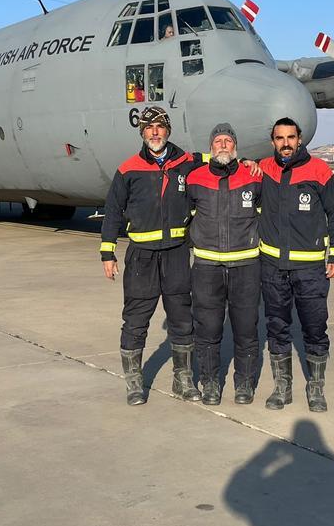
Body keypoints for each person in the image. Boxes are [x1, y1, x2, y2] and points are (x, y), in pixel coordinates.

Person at [101, 106, 203, 405]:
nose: (155, 132)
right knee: (135, 320)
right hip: (141, 257)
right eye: (149, 127)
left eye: (159, 126)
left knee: (182, 319)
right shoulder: (128, 169)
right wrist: (108, 253)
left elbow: (218, 160)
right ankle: (134, 382)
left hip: (175, 255)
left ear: (168, 130)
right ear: (142, 132)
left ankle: (183, 381)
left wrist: (247, 162)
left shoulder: (186, 163)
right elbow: (112, 213)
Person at [257, 117, 334, 412]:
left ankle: (316, 387)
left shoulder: (319, 171)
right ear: (273, 141)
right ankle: (281, 387)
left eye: (290, 138)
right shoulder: (263, 170)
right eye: (280, 138)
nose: (285, 143)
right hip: (273, 266)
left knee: (314, 327)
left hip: (310, 269)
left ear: (300, 139)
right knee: (277, 327)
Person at [186, 123, 263, 405]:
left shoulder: (254, 177)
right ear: (210, 147)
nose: (222, 145)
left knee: (246, 328)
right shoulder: (195, 178)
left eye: (228, 141)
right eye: (218, 140)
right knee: (207, 329)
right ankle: (210, 383)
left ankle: (244, 383)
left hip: (245, 266)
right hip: (207, 267)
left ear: (235, 147)